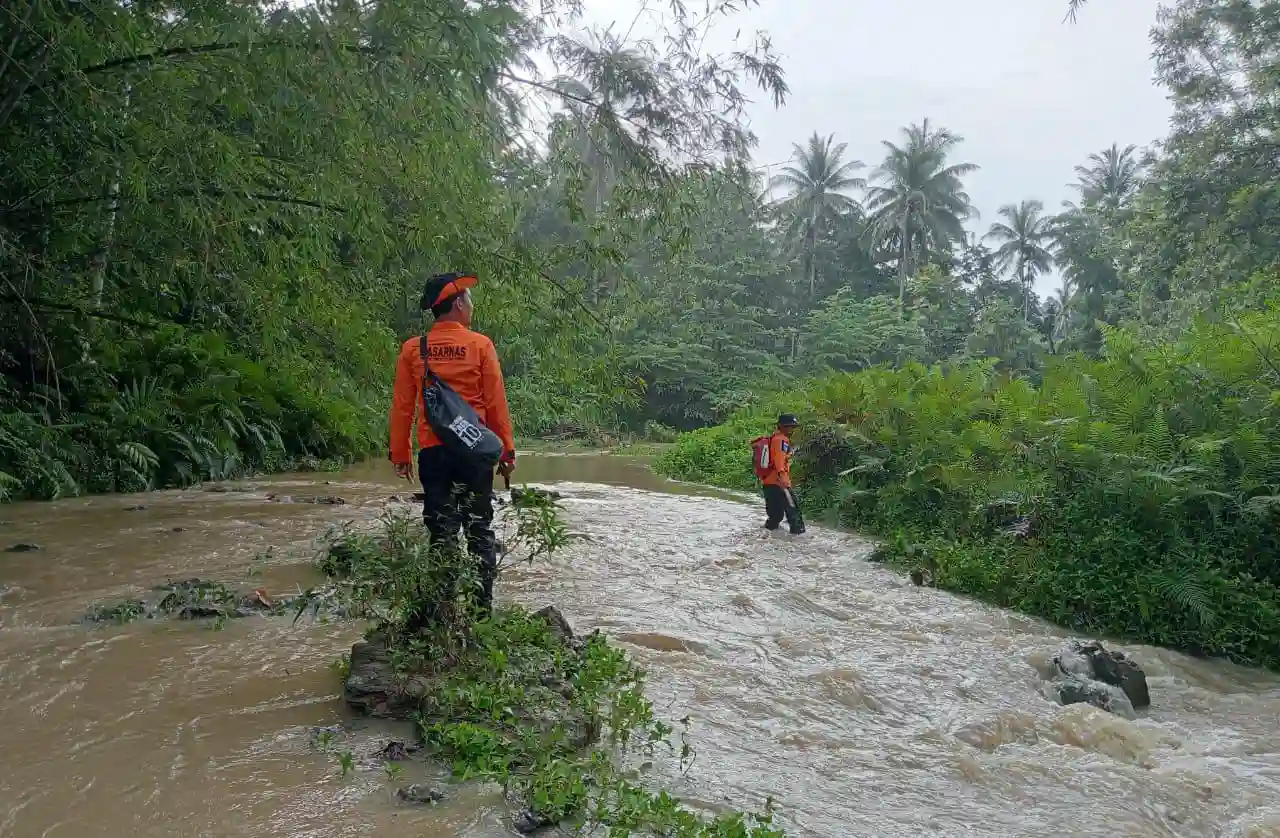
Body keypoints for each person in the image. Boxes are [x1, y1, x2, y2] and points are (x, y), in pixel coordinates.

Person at [389, 272, 516, 616]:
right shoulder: (480, 345)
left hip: (434, 453)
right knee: (479, 530)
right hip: (474, 452)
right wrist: (506, 451)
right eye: (469, 299)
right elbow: (495, 405)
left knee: (441, 532)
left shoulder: (414, 349)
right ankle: (480, 614)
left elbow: (403, 406)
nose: (471, 306)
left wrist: (400, 453)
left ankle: (442, 613)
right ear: (458, 303)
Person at [760, 413, 805, 535]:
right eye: (790, 426)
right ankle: (799, 541)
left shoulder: (773, 438)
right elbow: (779, 460)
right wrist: (783, 478)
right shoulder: (782, 440)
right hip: (779, 482)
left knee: (775, 517)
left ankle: (767, 536)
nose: (792, 429)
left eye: (793, 427)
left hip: (768, 482)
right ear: (782, 427)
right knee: (794, 513)